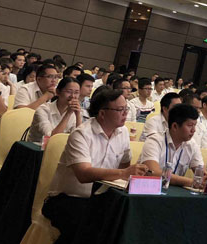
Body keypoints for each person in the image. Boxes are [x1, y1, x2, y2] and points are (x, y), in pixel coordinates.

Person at [42, 89, 147, 244]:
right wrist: (123, 172)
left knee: (128, 221)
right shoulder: (81, 134)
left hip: (102, 198)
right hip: (68, 199)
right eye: (120, 109)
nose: (126, 113)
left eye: (126, 108)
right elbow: (84, 174)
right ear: (102, 113)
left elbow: (125, 167)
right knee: (90, 225)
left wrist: (132, 174)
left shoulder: (123, 132)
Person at [139, 103, 205, 188]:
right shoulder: (154, 141)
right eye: (190, 125)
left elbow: (200, 172)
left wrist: (206, 178)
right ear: (174, 126)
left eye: (195, 125)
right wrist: (191, 182)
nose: (194, 130)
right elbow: (153, 173)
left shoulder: (192, 145)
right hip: (150, 189)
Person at [27, 78, 82, 142]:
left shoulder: (75, 111)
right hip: (37, 146)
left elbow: (79, 138)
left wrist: (78, 115)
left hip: (60, 146)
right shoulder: (43, 109)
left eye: (76, 93)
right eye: (69, 92)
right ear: (58, 92)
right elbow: (51, 139)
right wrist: (68, 114)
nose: (73, 96)